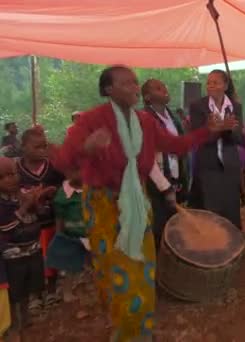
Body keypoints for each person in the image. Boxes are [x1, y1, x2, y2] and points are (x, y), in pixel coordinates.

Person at [50, 65, 231, 341]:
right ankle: (125, 330)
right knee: (119, 277)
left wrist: (208, 131)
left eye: (135, 82)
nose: (134, 87)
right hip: (104, 208)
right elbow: (63, 161)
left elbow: (177, 146)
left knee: (142, 276)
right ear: (108, 90)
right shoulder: (91, 120)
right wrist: (87, 148)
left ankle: (139, 331)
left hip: (137, 205)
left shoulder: (145, 122)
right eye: (126, 83)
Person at [0, 157, 54, 335]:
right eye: (4, 176)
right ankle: (15, 322)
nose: (11, 178)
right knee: (15, 291)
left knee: (30, 285)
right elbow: (6, 227)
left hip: (32, 248)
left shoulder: (22, 194)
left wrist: (40, 199)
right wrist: (25, 206)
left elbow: (40, 213)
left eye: (13, 173)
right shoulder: (2, 203)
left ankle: (26, 318)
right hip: (13, 255)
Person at [189, 69, 243, 229]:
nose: (210, 86)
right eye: (208, 82)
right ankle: (211, 246)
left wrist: (228, 130)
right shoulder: (198, 106)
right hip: (208, 165)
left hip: (230, 166)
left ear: (225, 86)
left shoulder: (235, 107)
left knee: (231, 208)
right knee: (210, 209)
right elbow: (199, 137)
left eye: (215, 82)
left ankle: (231, 247)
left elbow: (239, 139)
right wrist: (219, 128)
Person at [17, 127, 63, 309]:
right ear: (24, 147)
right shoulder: (16, 170)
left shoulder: (53, 167)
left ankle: (52, 290)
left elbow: (64, 185)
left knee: (51, 255)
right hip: (29, 225)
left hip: (51, 220)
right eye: (37, 147)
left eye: (44, 146)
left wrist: (54, 192)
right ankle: (35, 293)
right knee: (32, 258)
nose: (42, 150)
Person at [141, 79, 189, 246]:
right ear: (147, 97)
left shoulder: (173, 118)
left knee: (175, 228)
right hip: (156, 184)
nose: (164, 89)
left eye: (164, 85)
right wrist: (164, 186)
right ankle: (158, 269)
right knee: (159, 230)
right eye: (158, 88)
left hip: (176, 179)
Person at [45, 166, 89, 304]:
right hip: (72, 236)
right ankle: (67, 292)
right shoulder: (62, 195)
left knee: (92, 265)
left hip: (92, 234)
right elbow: (59, 218)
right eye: (77, 169)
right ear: (67, 171)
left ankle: (90, 290)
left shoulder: (92, 190)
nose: (82, 172)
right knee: (70, 267)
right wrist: (60, 236)